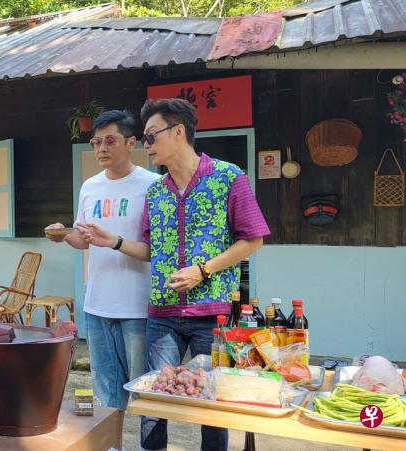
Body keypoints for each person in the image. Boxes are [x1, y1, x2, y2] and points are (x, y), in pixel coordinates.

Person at [79, 98, 270, 451]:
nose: (147, 145)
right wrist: (114, 241)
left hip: (211, 313)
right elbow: (151, 251)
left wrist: (203, 270)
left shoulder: (229, 177)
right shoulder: (156, 193)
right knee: (155, 401)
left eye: (151, 136)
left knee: (211, 404)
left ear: (178, 132)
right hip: (162, 315)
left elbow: (253, 238)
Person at [45, 110, 159, 426]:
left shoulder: (153, 185)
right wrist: (64, 234)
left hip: (138, 307)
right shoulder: (90, 186)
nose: (101, 149)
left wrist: (115, 241)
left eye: (110, 141)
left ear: (132, 143)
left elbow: (158, 251)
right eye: (96, 142)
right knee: (107, 395)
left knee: (144, 393)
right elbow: (84, 240)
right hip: (96, 305)